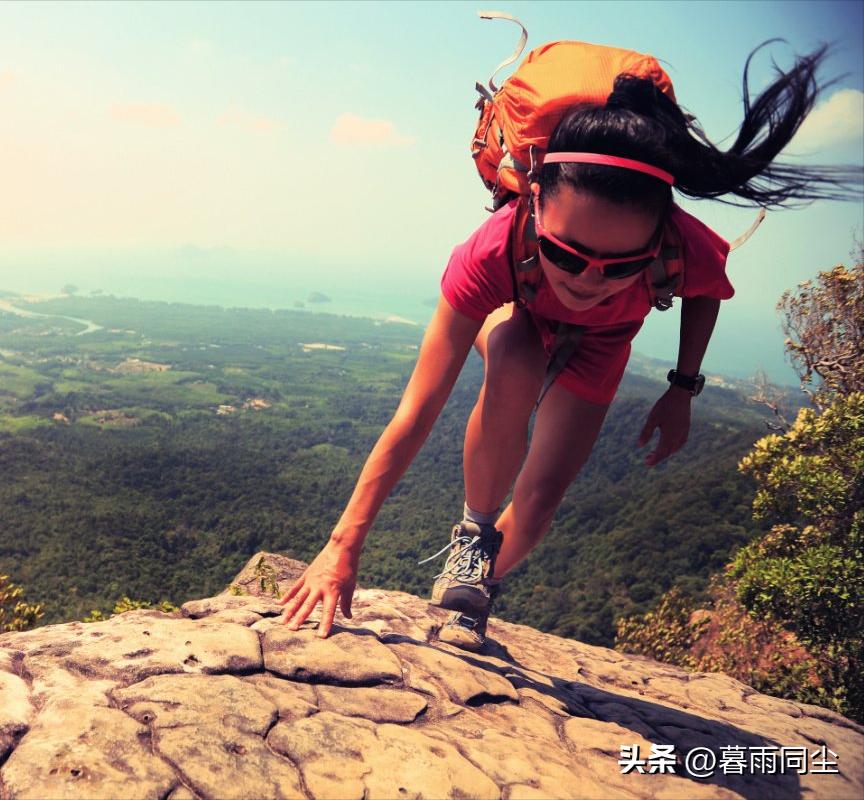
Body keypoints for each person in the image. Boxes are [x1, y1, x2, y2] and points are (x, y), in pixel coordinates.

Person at [279, 41, 863, 648]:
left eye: (620, 265)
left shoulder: (680, 244)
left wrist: (683, 389)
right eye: (567, 253)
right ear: (534, 202)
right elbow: (417, 410)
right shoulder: (492, 250)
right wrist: (342, 545)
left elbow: (707, 289)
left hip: (604, 342)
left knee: (537, 503)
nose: (588, 279)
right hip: (521, 310)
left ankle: (474, 588)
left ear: (658, 235)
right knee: (515, 358)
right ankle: (474, 536)